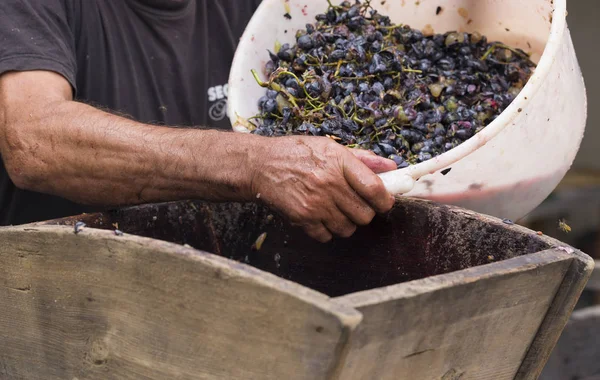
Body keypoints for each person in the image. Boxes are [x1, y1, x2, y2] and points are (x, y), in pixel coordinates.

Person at [0, 0, 396, 242]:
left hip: (225, 284)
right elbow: (33, 140)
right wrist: (253, 164)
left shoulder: (263, 13)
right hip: (64, 302)